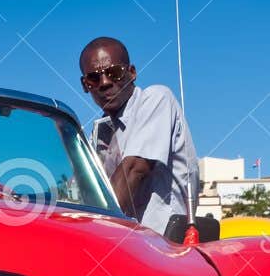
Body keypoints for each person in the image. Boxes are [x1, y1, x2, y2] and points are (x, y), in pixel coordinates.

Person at [79, 36, 200, 236]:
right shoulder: (99, 134)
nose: (105, 83)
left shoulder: (156, 99)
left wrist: (95, 232)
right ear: (85, 85)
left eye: (114, 72)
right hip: (125, 246)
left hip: (164, 246)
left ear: (132, 73)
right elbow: (81, 193)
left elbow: (135, 169)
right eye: (94, 78)